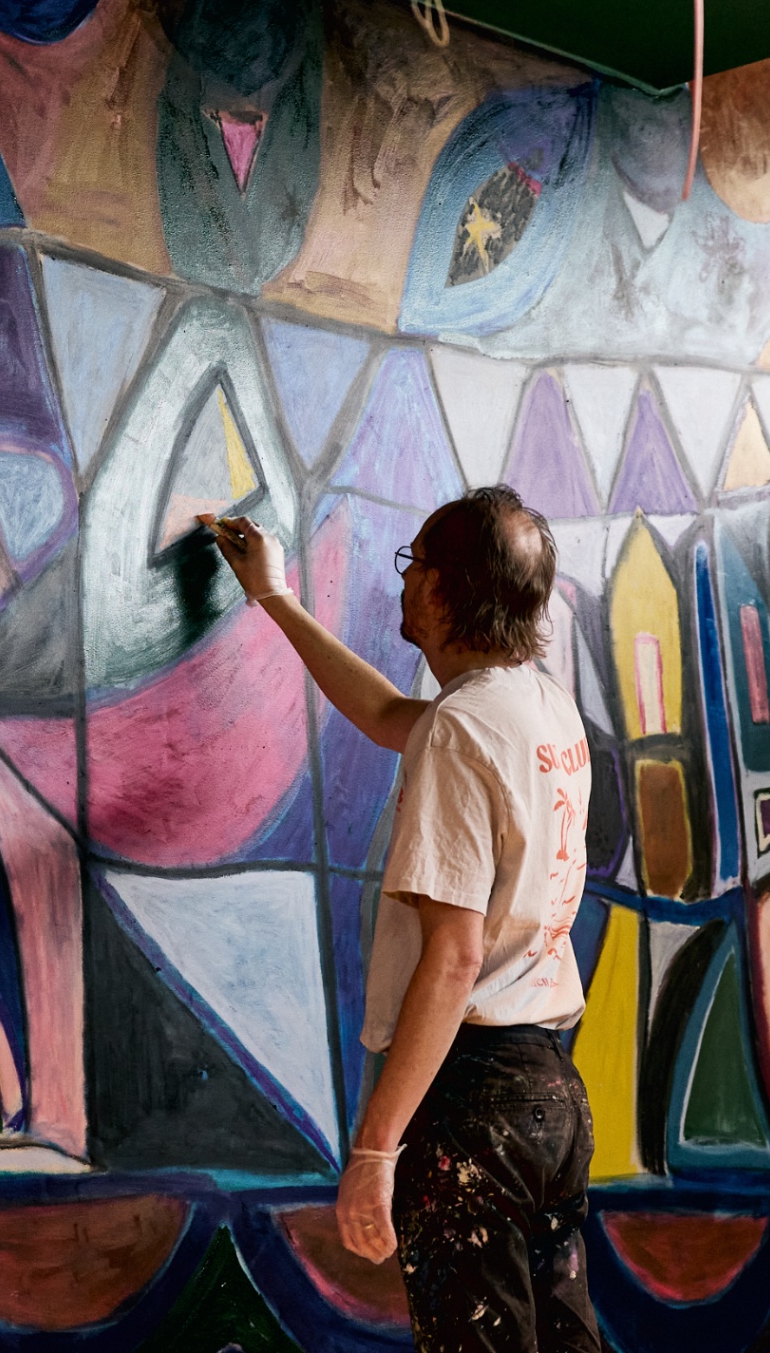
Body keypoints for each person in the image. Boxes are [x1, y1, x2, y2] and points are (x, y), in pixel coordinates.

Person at [201, 486, 600, 1353]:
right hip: (550, 1099)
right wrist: (274, 599)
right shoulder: (539, 706)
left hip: (472, 1107)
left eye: (415, 562)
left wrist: (377, 1150)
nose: (404, 581)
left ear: (450, 589)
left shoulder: (464, 729)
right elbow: (388, 717)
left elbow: (454, 958)